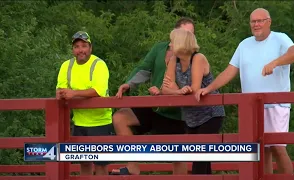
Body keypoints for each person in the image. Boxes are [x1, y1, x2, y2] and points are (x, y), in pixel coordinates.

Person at [195, 8, 294, 174]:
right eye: (253, 21)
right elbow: (230, 71)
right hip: (252, 105)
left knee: (278, 148)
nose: (256, 24)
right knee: (261, 151)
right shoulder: (244, 44)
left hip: (276, 104)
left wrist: (275, 62)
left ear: (269, 22)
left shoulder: (280, 38)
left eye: (260, 21)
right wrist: (208, 88)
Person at [111, 17, 195, 175]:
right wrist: (129, 84)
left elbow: (190, 87)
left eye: (191, 34)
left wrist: (165, 91)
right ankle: (132, 168)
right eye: (185, 33)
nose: (188, 37)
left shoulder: (194, 57)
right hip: (155, 107)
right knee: (120, 117)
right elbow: (144, 69)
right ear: (174, 34)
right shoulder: (159, 49)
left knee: (178, 156)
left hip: (176, 113)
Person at [161, 28, 226, 174]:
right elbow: (164, 89)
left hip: (210, 114)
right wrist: (178, 91)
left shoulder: (198, 58)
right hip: (190, 116)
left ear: (180, 43)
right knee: (201, 158)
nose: (170, 45)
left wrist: (176, 88)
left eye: (172, 42)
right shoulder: (173, 60)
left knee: (200, 157)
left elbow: (195, 89)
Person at [56, 31, 114, 175]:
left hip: (100, 122)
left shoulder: (99, 64)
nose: (80, 50)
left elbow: (98, 91)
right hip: (79, 122)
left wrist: (73, 93)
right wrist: (62, 94)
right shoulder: (66, 66)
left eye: (84, 46)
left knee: (101, 165)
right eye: (76, 46)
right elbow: (60, 89)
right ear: (72, 50)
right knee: (84, 163)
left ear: (90, 48)